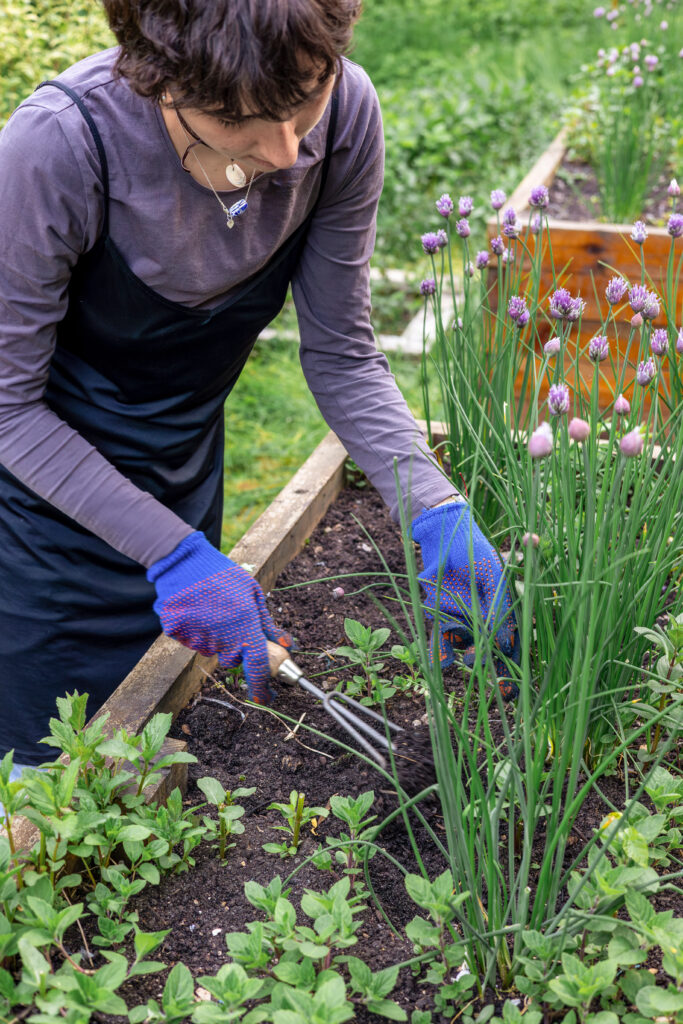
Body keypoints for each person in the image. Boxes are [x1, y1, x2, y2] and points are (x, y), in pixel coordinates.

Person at [0, 0, 518, 778]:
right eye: (237, 116)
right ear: (157, 78)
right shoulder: (59, 150)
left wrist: (434, 505)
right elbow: (9, 406)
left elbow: (342, 353)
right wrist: (169, 552)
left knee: (157, 742)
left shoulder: (343, 114)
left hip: (182, 471)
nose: (284, 149)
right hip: (42, 513)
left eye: (303, 96)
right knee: (52, 778)